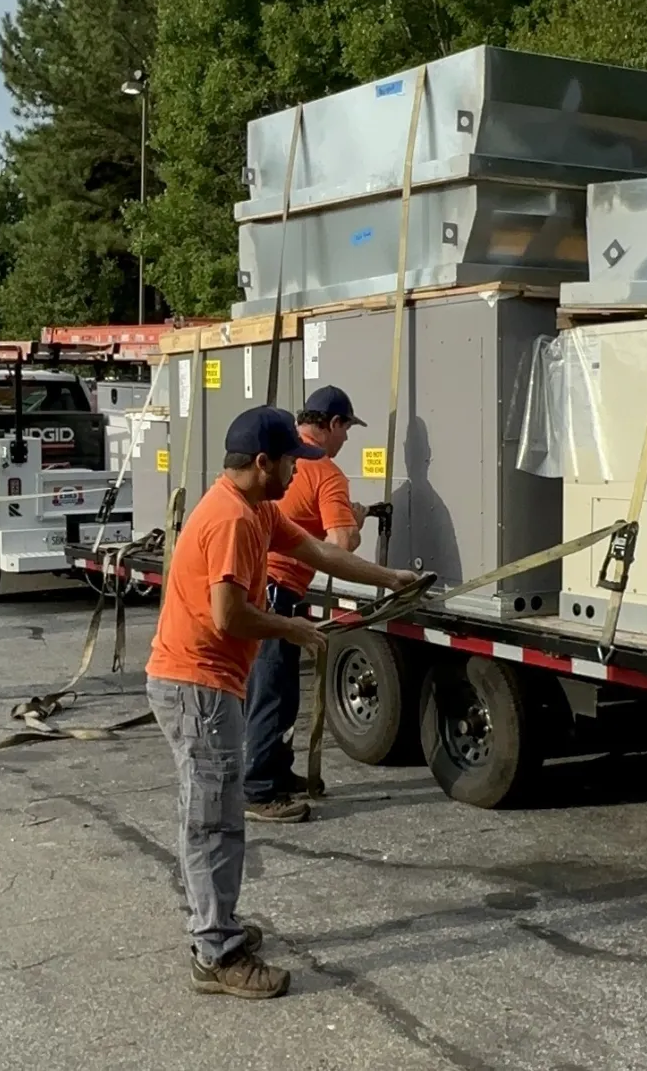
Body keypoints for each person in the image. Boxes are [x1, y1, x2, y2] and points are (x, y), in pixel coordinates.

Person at [146, 404, 417, 1001]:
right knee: (213, 821)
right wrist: (294, 630)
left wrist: (390, 578)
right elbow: (228, 614)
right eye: (293, 460)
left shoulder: (255, 506)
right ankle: (215, 952)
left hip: (204, 685)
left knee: (217, 813)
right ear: (263, 462)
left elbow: (321, 553)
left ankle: (218, 931)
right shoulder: (235, 521)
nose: (301, 471)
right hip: (198, 687)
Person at [243, 385, 368, 822]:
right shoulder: (326, 474)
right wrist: (355, 521)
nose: (347, 439)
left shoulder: (278, 460)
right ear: (332, 424)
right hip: (279, 592)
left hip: (257, 587)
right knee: (273, 693)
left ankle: (276, 770)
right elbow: (340, 546)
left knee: (275, 690)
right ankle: (260, 790)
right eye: (347, 428)